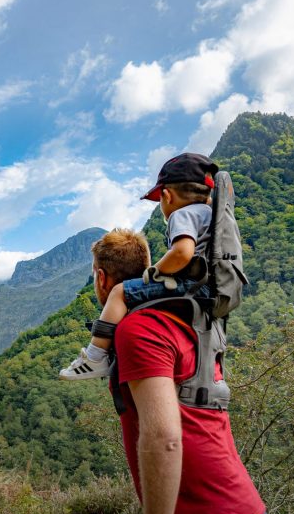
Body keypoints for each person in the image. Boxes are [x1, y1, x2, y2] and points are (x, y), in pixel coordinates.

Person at [82, 228, 267, 514]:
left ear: (101, 278)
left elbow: (163, 438)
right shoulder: (180, 318)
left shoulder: (138, 329)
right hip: (238, 506)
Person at [60, 153, 218, 380]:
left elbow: (183, 252)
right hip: (209, 289)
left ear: (166, 195)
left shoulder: (181, 215)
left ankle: (95, 356)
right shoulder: (211, 215)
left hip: (193, 285)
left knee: (120, 292)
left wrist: (156, 271)